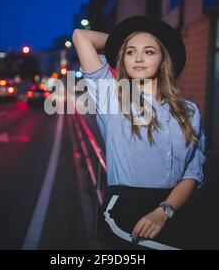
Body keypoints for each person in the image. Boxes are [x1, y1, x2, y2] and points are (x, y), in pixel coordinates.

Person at [72, 16, 207, 250]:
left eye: (149, 51)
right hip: (124, 211)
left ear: (164, 58)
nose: (139, 58)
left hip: (173, 210)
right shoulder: (112, 97)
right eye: (131, 52)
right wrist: (121, 43)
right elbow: (80, 36)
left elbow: (192, 174)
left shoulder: (189, 111)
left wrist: (164, 211)